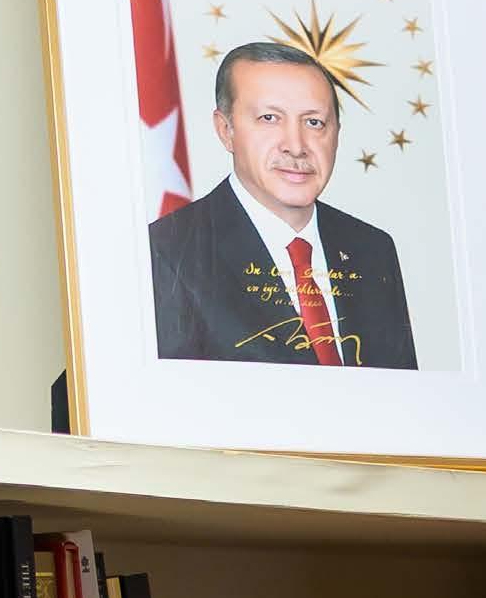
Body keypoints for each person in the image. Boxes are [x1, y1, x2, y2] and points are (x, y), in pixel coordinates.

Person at [149, 42, 417, 369]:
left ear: (337, 133)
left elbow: (401, 391)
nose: (296, 146)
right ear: (226, 130)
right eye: (270, 118)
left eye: (314, 122)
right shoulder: (168, 251)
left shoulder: (372, 250)